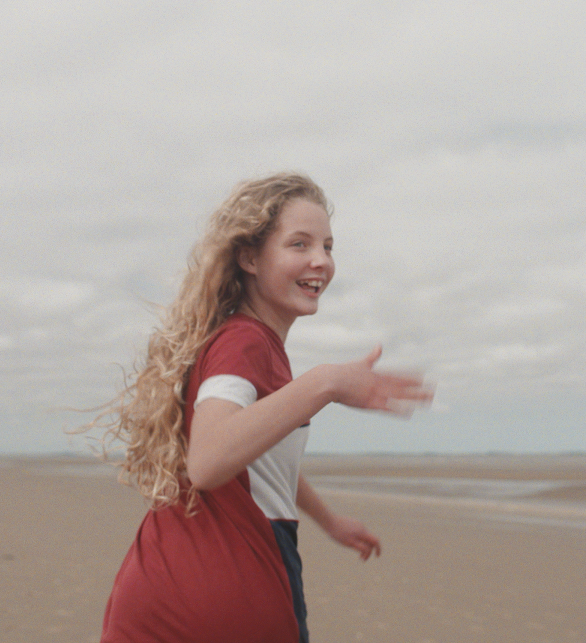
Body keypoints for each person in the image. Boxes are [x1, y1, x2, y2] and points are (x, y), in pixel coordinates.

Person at [92, 172, 433, 642]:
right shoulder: (244, 342)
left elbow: (257, 457)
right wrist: (327, 382)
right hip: (225, 587)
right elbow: (210, 460)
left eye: (328, 246)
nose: (321, 261)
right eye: (299, 244)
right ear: (249, 257)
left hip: (162, 586)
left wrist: (328, 519)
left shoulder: (249, 342)